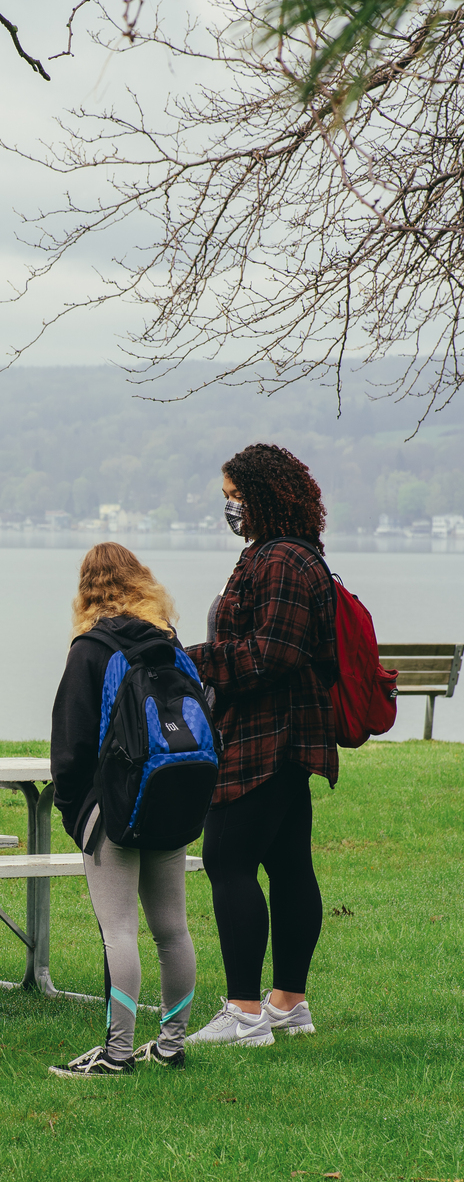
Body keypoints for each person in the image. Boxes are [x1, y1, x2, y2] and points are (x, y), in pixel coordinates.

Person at [185, 444, 338, 1047]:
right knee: (289, 864)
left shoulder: (281, 562)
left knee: (227, 859)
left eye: (235, 497)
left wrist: (191, 658)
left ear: (264, 496)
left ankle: (246, 1013)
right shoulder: (291, 557)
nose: (230, 509)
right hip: (286, 734)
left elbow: (273, 655)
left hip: (266, 736)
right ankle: (288, 1003)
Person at [48, 544, 198, 1077]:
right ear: (141, 581)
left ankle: (117, 1053)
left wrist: (76, 814)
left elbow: (69, 747)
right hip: (171, 799)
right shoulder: (168, 643)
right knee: (172, 931)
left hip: (112, 812)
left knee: (120, 931)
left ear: (87, 589)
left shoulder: (90, 649)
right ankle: (172, 1044)